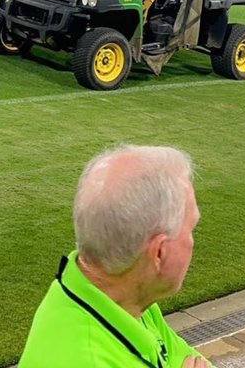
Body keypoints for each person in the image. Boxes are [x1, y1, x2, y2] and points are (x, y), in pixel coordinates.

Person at [19, 145, 210, 368]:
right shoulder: (85, 360)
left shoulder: (125, 299)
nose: (192, 241)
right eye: (191, 228)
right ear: (159, 252)